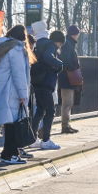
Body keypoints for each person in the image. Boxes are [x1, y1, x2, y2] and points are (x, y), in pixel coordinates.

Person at [0, 25, 36, 164]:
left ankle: (9, 153)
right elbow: (19, 73)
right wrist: (23, 94)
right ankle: (10, 154)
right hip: (13, 92)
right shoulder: (16, 49)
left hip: (5, 90)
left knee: (9, 125)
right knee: (13, 126)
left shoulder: (4, 47)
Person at [30, 21, 64, 150]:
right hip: (46, 82)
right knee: (50, 111)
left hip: (37, 82)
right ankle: (46, 139)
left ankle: (33, 138)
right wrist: (59, 64)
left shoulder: (37, 44)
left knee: (39, 110)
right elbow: (48, 57)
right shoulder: (50, 45)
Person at [58, 25, 81, 134]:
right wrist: (74, 68)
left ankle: (67, 124)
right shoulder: (68, 45)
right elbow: (66, 61)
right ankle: (65, 126)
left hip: (67, 77)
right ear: (75, 34)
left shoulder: (68, 44)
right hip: (67, 77)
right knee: (67, 103)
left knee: (69, 102)